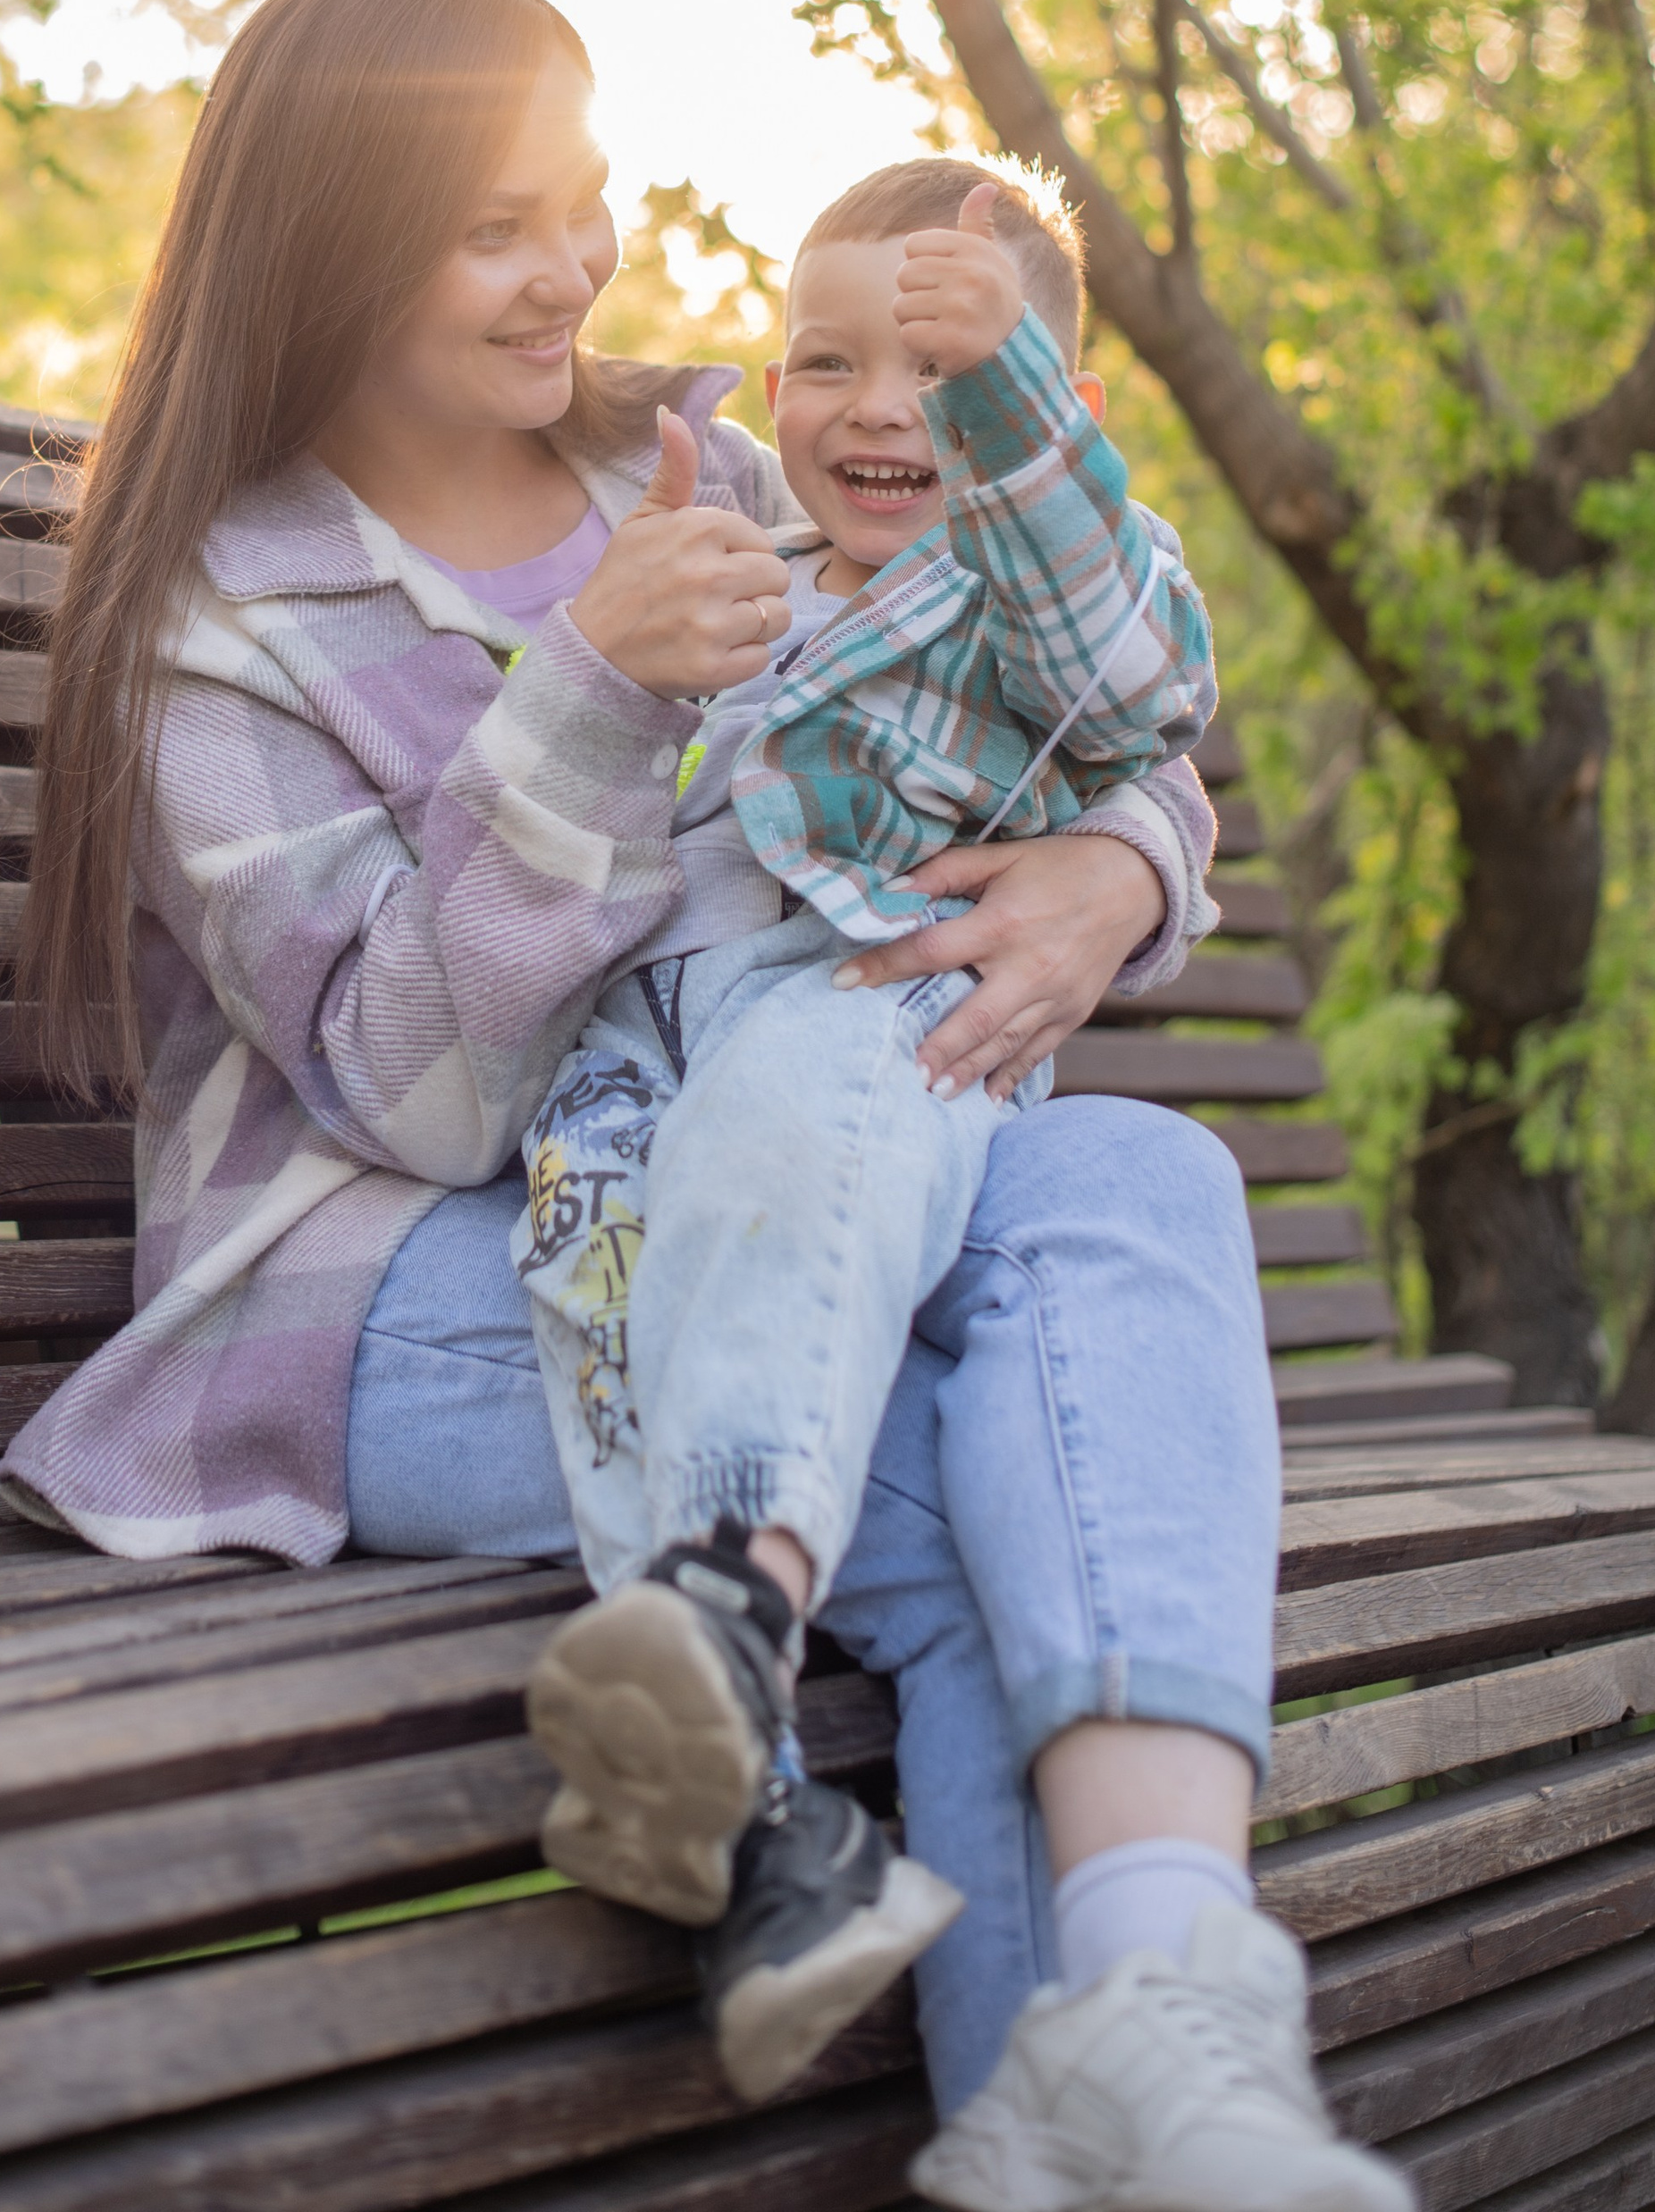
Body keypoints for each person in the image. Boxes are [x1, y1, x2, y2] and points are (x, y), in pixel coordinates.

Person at [0, 0, 1407, 2212]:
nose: (573, 267)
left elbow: (1045, 694)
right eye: (495, 227)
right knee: (989, 1492)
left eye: (585, 199)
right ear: (334, 237)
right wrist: (580, 690)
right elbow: (414, 1097)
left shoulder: (712, 460)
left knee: (1139, 1177)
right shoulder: (212, 620)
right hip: (376, 1288)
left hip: (749, 1181)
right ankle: (1106, 2102)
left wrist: (1121, 875)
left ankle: (1156, 2028)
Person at [512, 156, 1218, 2098]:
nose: (881, 406)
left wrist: (1019, 419)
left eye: (945, 370)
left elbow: (1139, 684)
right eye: (828, 363)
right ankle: (755, 1826)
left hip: (882, 1016)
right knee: (597, 1310)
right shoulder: (756, 577)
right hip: (652, 1064)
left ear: (1049, 407)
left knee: (795, 1103)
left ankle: (741, 1589)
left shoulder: (1039, 580)